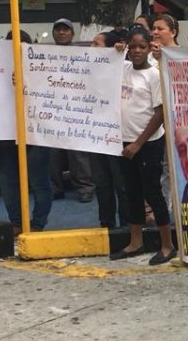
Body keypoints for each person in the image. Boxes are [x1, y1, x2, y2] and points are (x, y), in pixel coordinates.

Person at [109, 28, 177, 265]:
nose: (137, 51)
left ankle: (167, 245)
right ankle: (135, 241)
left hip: (147, 143)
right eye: (133, 46)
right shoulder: (123, 68)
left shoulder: (154, 75)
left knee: (152, 192)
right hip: (125, 141)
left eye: (142, 47)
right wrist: (115, 51)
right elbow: (103, 67)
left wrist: (138, 143)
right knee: (132, 192)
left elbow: (159, 113)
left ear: (149, 48)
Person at [0, 29, 54, 234]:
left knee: (39, 180)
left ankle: (37, 224)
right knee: (8, 181)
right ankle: (16, 223)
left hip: (38, 132)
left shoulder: (42, 65)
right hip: (8, 133)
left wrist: (28, 82)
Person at [46, 18, 98, 204]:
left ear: (72, 34)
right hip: (51, 111)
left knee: (78, 154)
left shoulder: (83, 55)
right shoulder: (44, 54)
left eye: (65, 30)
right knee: (52, 154)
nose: (61, 33)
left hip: (77, 111)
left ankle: (85, 188)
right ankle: (55, 188)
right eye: (58, 29)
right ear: (53, 33)